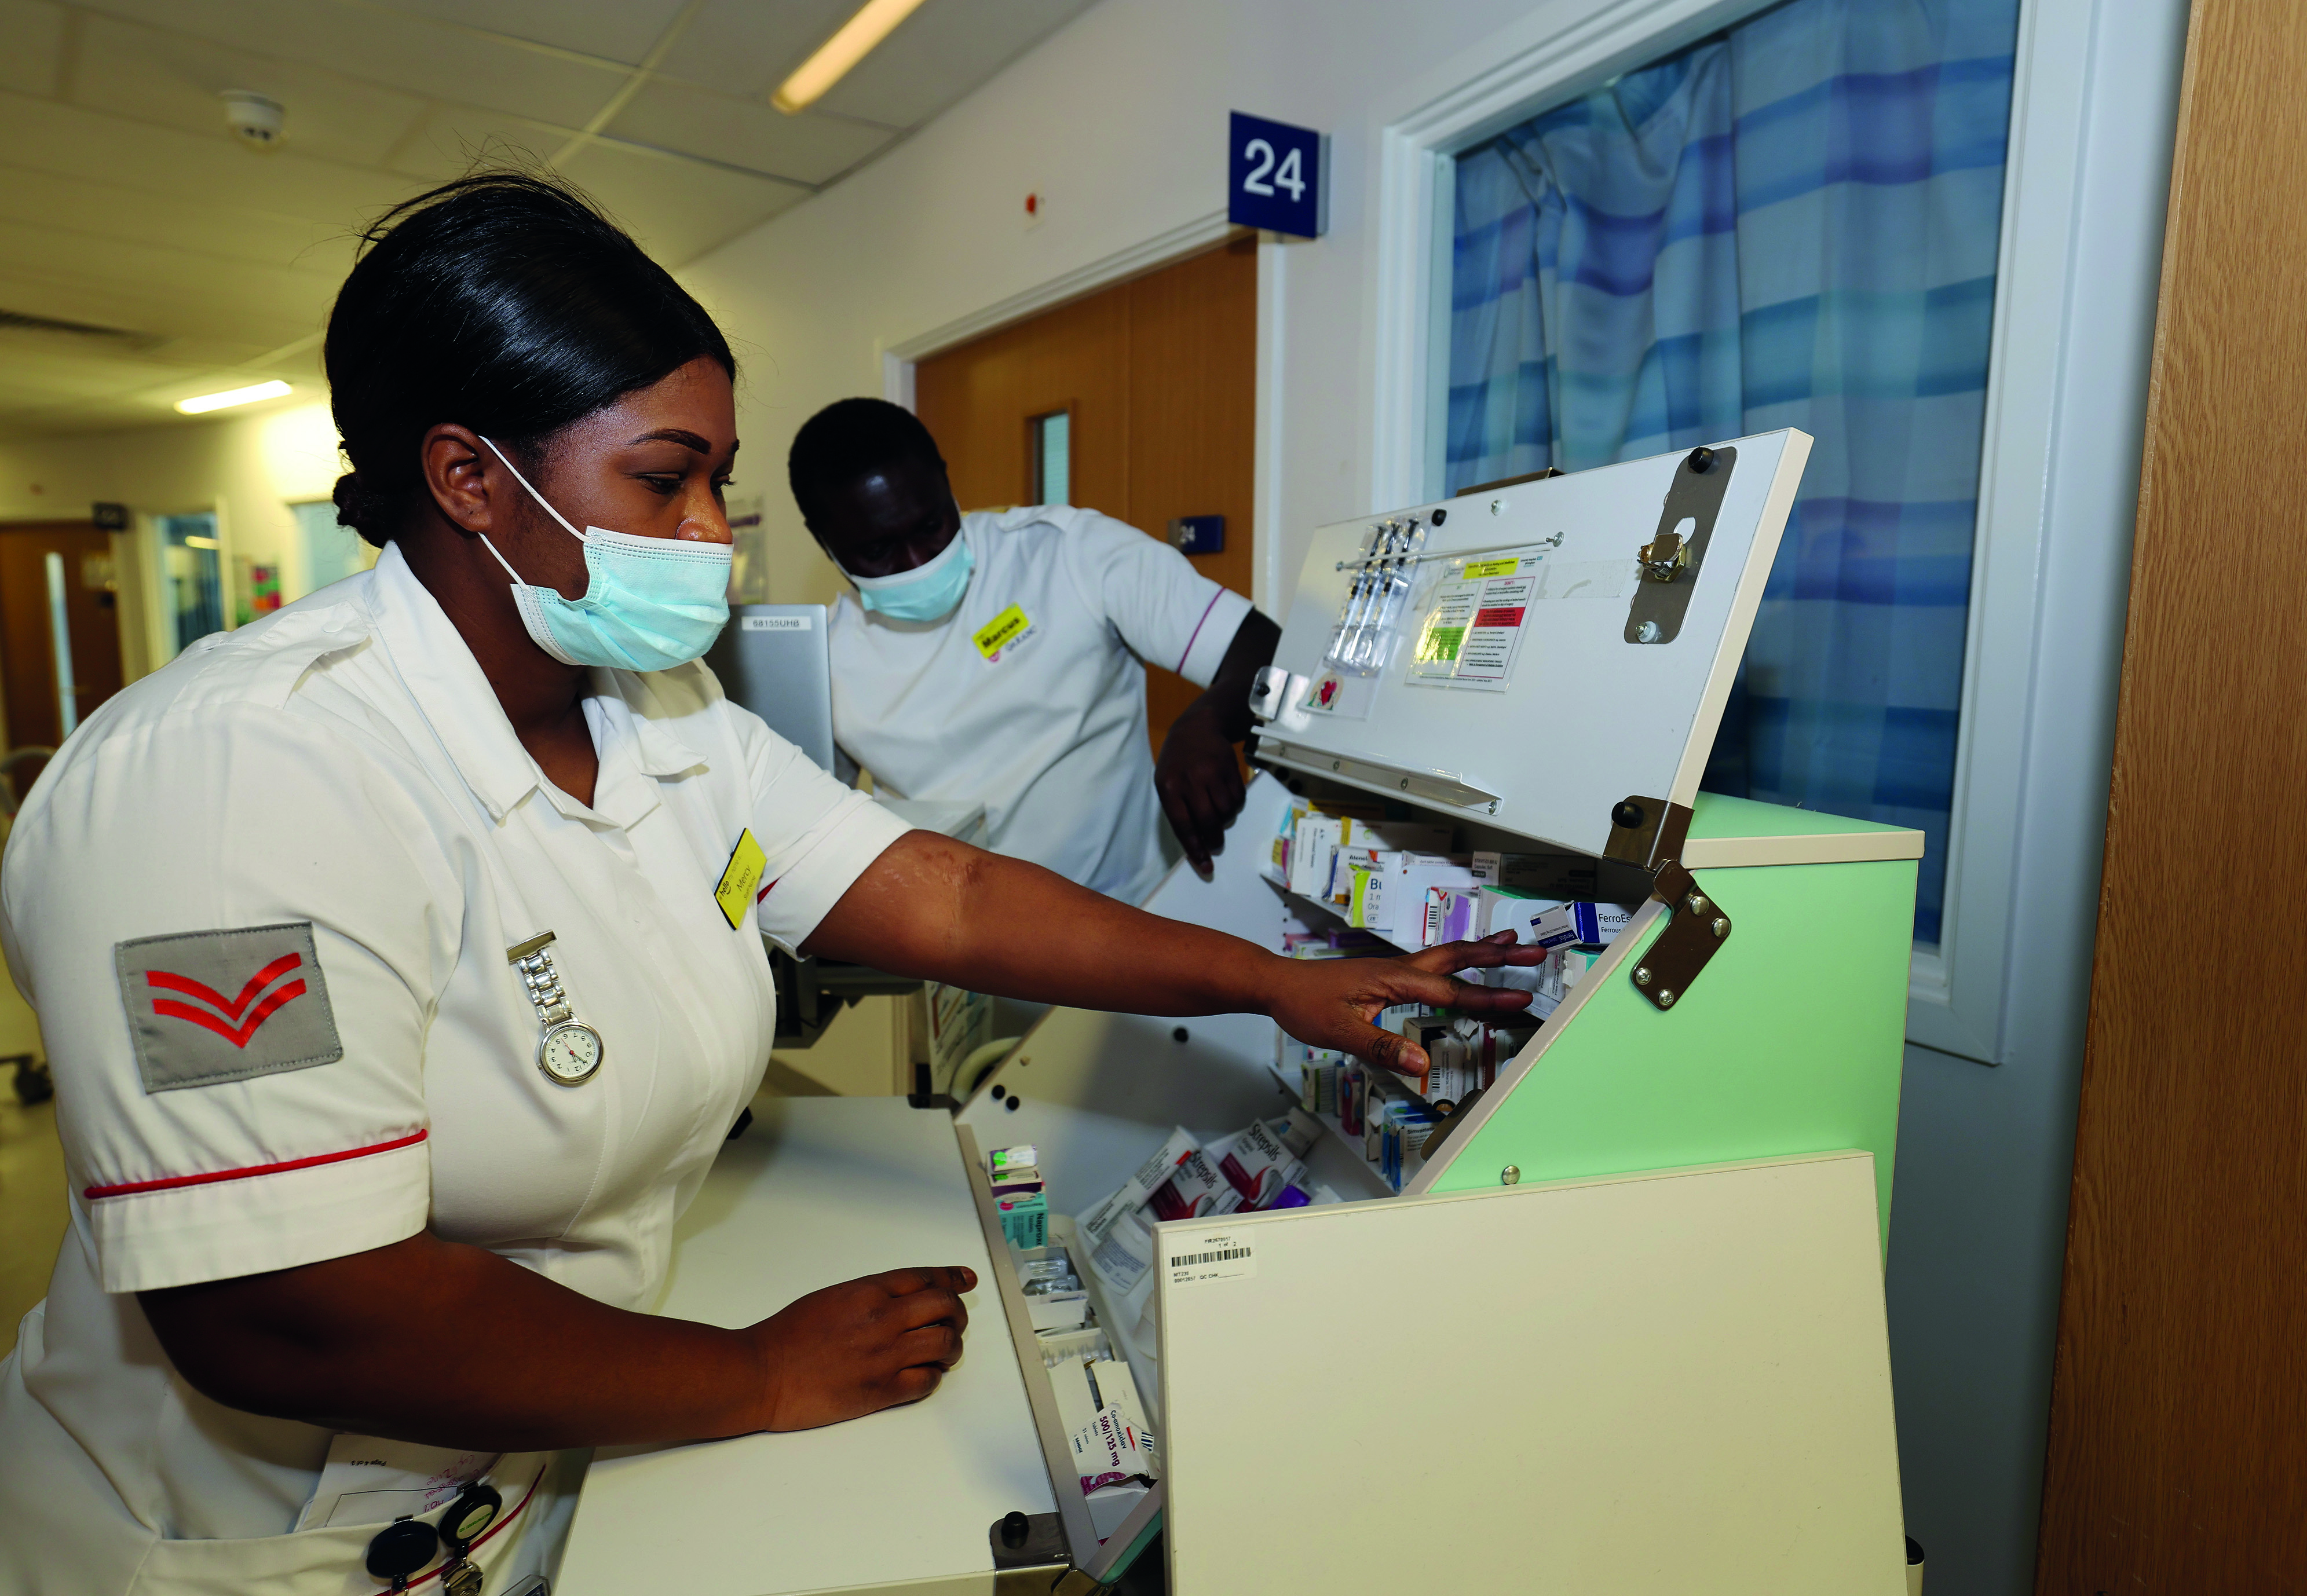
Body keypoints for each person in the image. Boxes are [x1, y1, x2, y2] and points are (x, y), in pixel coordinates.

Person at [0, 174, 1543, 1595]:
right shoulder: (225, 781)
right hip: (261, 1544)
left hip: (545, 1474)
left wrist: (1273, 978)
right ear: (469, 477)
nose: (710, 544)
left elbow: (934, 894)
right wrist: (751, 1372)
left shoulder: (657, 716)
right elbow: (286, 1303)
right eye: (664, 481)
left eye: (717, 487)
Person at [788, 400, 1275, 898]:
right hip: (961, 954)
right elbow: (807, 824)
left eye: (931, 526)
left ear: (945, 480)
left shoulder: (1067, 552)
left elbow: (1264, 649)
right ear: (824, 541)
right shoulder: (821, 660)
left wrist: (1205, 721)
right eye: (878, 551)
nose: (919, 563)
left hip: (1136, 910)